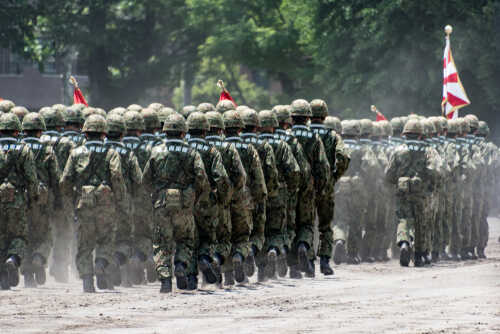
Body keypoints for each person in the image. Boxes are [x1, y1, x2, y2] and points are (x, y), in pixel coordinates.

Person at [142, 113, 210, 293]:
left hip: (162, 204)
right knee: (186, 240)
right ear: (183, 133)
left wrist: (155, 194)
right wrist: (195, 196)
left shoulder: (156, 151)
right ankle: (181, 265)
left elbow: (146, 179)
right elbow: (201, 177)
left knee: (162, 243)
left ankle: (165, 280)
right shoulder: (192, 152)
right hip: (184, 205)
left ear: (165, 132)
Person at [60, 114, 127, 292]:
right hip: (106, 204)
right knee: (106, 239)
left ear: (86, 134)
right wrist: (120, 201)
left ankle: (87, 281)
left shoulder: (76, 152)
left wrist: (70, 205)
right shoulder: (111, 153)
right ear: (104, 134)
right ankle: (101, 263)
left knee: (85, 244)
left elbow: (65, 181)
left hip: (83, 204)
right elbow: (117, 177)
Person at [386, 119, 439, 267]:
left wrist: (398, 182)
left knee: (403, 219)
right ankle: (419, 256)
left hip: (402, 193)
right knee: (420, 222)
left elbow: (389, 175)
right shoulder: (429, 151)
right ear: (421, 135)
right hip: (421, 194)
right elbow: (435, 170)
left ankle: (404, 243)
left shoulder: (397, 151)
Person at [186, 112, 231, 288]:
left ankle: (191, 278)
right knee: (208, 238)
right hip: (208, 201)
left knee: (188, 240)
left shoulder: (184, 147)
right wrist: (222, 198)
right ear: (205, 130)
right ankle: (205, 259)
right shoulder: (212, 151)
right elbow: (221, 178)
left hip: (185, 200)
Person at [205, 111, 248, 287]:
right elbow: (240, 175)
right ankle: (227, 265)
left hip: (203, 201)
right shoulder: (228, 148)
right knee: (230, 236)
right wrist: (232, 193)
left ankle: (215, 271)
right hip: (230, 199)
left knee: (208, 238)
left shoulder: (200, 146)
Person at [223, 109, 267, 283]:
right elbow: (257, 176)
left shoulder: (219, 146)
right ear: (240, 128)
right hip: (244, 199)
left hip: (222, 199)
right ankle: (239, 257)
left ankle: (227, 276)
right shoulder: (249, 148)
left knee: (224, 236)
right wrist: (259, 198)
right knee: (242, 236)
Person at [290, 99, 331, 277]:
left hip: (290, 187)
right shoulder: (314, 137)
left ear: (292, 117)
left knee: (291, 225)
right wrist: (322, 187)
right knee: (306, 224)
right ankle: (303, 247)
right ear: (307, 118)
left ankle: (293, 268)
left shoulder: (285, 135)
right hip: (309, 186)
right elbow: (323, 166)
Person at [21, 112, 62, 287]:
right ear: (40, 131)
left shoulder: (16, 147)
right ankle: (39, 257)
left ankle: (27, 274)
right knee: (44, 234)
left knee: (24, 235)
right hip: (43, 199)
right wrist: (58, 200)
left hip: (20, 198)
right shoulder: (48, 150)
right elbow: (56, 178)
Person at [258, 110, 300, 280]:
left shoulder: (254, 144)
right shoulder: (282, 144)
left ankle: (261, 271)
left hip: (257, 194)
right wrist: (291, 189)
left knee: (259, 230)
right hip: (279, 193)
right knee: (276, 230)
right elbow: (294, 170)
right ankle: (275, 250)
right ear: (274, 126)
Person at [0, 113, 38, 290]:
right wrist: (33, 199)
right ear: (17, 130)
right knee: (19, 236)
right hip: (17, 199)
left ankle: (2, 280)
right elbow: (31, 178)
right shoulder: (23, 150)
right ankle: (13, 259)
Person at [105, 113, 143, 287]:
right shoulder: (128, 153)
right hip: (124, 202)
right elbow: (138, 180)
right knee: (125, 239)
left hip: (95, 202)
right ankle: (118, 263)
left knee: (102, 238)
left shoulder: (85, 149)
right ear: (122, 134)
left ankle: (103, 267)